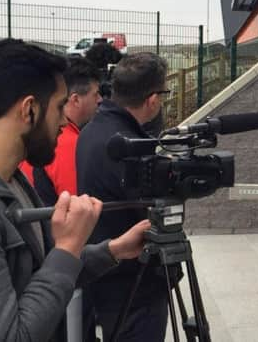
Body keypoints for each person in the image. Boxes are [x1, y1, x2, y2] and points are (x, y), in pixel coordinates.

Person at [0, 38, 149, 342]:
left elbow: (47, 271)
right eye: (60, 106)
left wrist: (112, 250)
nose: (65, 119)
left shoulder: (15, 179)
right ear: (30, 110)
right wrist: (68, 246)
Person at [77, 52, 170, 341]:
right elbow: (153, 218)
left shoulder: (90, 129)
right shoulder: (131, 147)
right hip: (136, 285)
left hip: (103, 270)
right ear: (152, 99)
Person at [20, 57, 102, 205]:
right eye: (95, 94)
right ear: (75, 100)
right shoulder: (68, 143)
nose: (100, 100)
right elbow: (76, 208)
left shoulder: (39, 134)